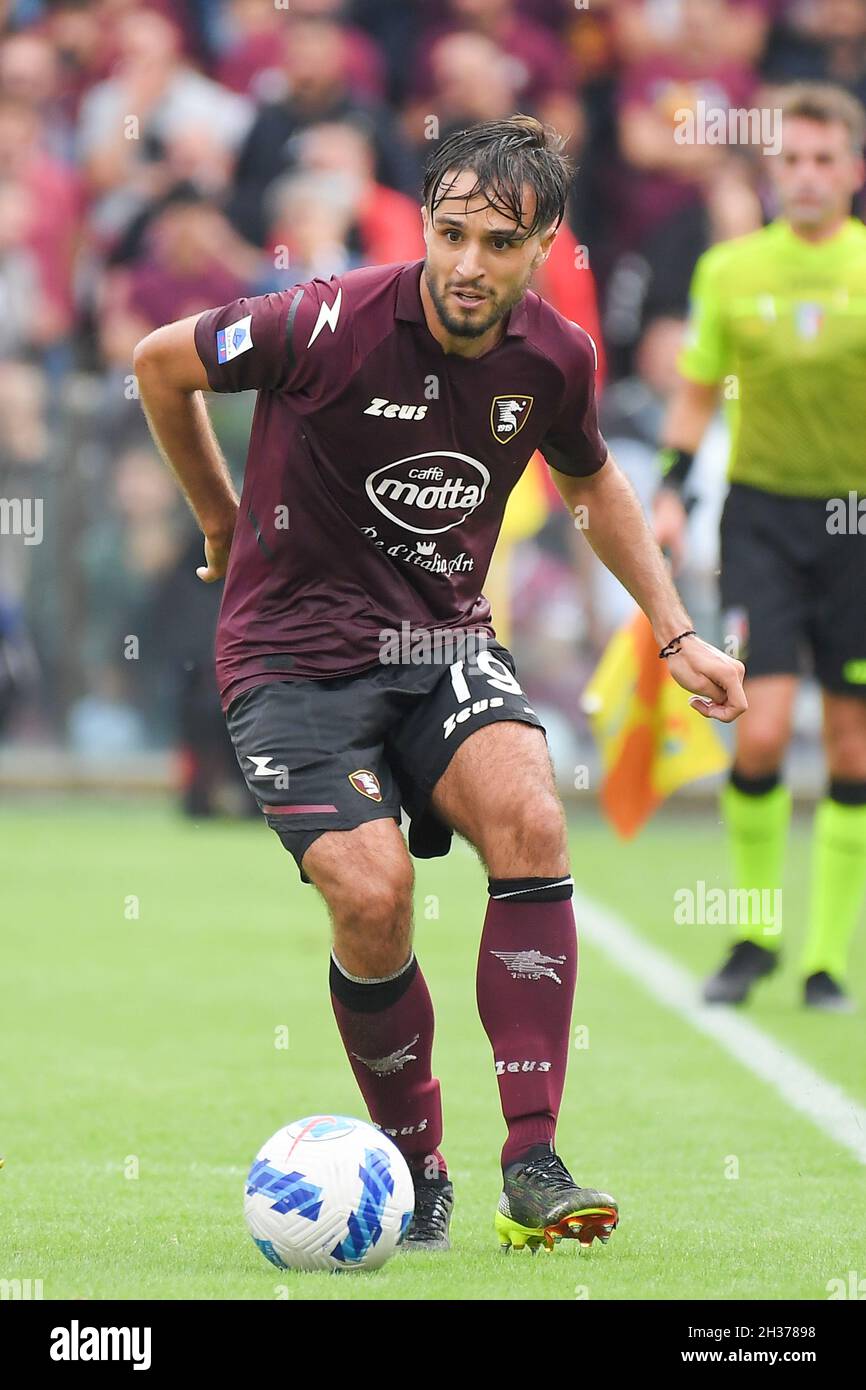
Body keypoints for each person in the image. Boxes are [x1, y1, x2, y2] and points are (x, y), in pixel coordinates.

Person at [133, 115, 745, 1254]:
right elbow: (160, 363)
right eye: (450, 233)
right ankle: (416, 1173)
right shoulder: (323, 320)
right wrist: (218, 517)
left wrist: (674, 633)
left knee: (529, 811)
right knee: (370, 899)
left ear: (541, 242)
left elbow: (593, 482)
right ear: (424, 223)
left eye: (498, 242)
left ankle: (533, 1161)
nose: (468, 264)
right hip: (287, 658)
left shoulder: (556, 356)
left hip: (441, 647)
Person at [655, 82, 866, 1011]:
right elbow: (699, 388)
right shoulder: (731, 269)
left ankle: (826, 959)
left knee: (854, 747)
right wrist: (669, 486)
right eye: (793, 160)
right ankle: (754, 935)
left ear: (853, 170)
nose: (809, 176)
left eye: (826, 159)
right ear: (771, 172)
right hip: (763, 519)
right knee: (761, 726)